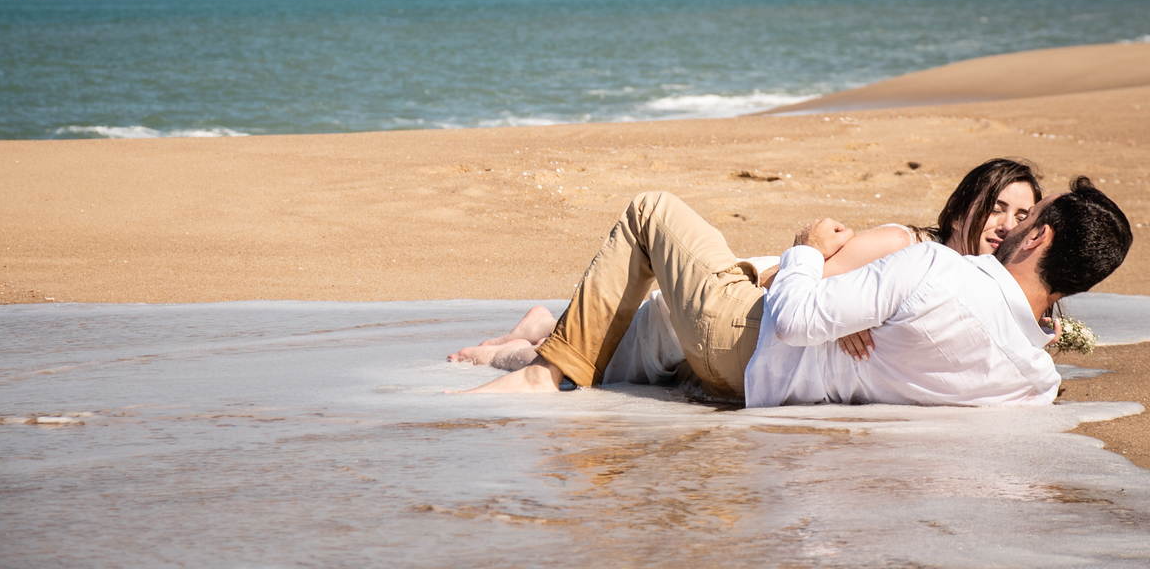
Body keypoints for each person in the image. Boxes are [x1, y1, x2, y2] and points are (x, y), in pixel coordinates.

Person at [455, 173, 1131, 408]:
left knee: (651, 211)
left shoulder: (935, 268)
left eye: (1029, 218)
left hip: (745, 342)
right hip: (759, 391)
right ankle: (541, 346)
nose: (1013, 227)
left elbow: (800, 316)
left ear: (1039, 239)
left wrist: (806, 246)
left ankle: (546, 373)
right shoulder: (1033, 381)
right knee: (630, 350)